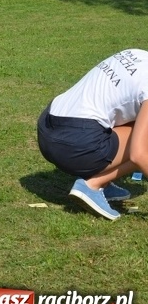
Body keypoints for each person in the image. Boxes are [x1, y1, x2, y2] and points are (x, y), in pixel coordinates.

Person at [37, 49, 148, 221]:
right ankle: (93, 185)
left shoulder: (136, 54)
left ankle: (104, 182)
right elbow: (138, 154)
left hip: (47, 127)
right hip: (76, 144)